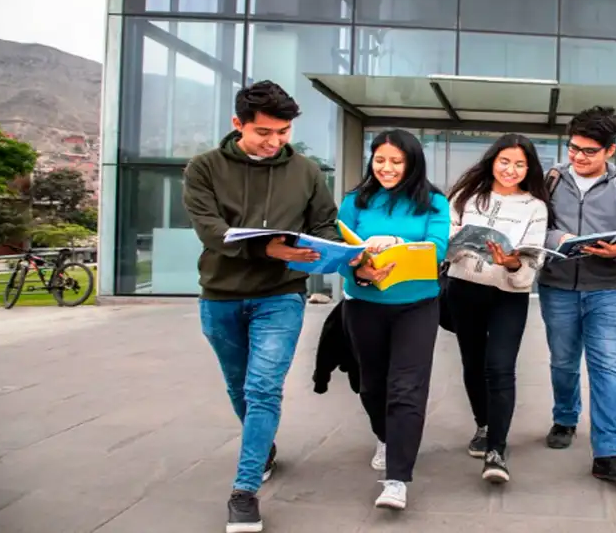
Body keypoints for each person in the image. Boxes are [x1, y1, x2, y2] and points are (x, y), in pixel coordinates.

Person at [182, 80, 341, 533]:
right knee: (239, 388)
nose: (274, 143)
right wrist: (264, 249)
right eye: (264, 133)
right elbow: (211, 230)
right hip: (221, 297)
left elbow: (324, 223)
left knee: (263, 389)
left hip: (281, 295)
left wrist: (335, 253)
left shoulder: (307, 171)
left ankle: (244, 491)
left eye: (283, 133)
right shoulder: (203, 168)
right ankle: (264, 446)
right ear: (238, 125)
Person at [537, 106, 616, 482]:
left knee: (607, 368)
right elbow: (534, 228)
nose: (578, 157)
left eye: (589, 151)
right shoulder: (550, 180)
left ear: (610, 150)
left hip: (608, 290)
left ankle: (608, 452)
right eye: (573, 148)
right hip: (558, 287)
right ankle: (565, 419)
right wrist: (560, 239)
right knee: (563, 361)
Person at [338, 129, 450, 511]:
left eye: (396, 161)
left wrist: (399, 249)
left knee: (407, 388)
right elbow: (342, 250)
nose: (386, 168)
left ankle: (397, 479)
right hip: (364, 304)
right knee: (372, 386)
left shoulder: (434, 202)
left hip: (416, 306)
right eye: (380, 159)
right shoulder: (355, 201)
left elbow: (437, 250)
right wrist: (360, 272)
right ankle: (385, 436)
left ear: (412, 163)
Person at [444, 133, 552, 483]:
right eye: (505, 161)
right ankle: (484, 425)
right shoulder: (466, 198)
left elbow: (532, 261)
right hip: (464, 289)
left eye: (520, 164)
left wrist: (510, 263)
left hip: (508, 295)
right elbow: (444, 242)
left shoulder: (535, 206)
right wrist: (456, 246)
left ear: (529, 168)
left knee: (500, 367)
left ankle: (497, 450)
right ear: (492, 160)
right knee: (473, 364)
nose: (511, 169)